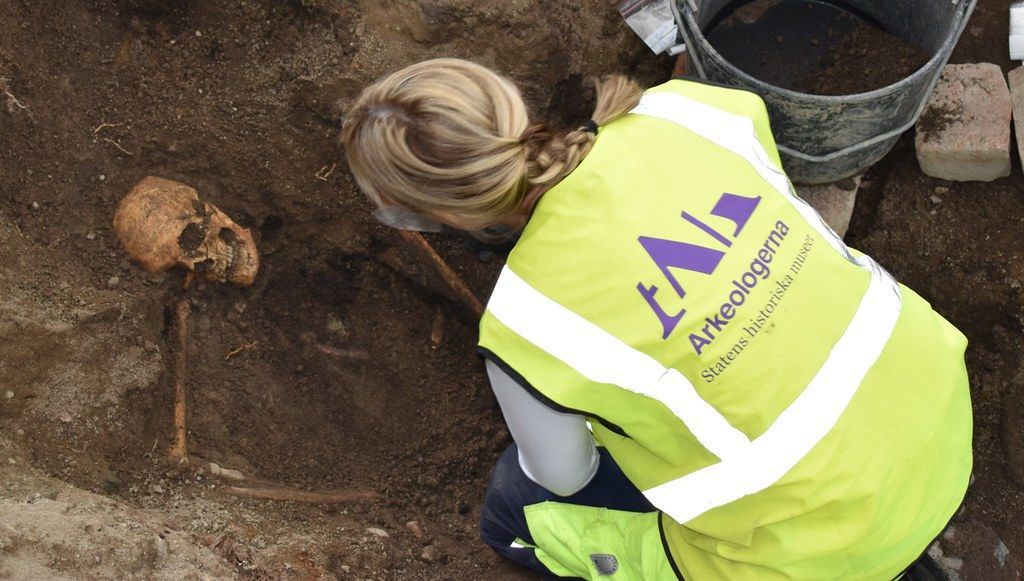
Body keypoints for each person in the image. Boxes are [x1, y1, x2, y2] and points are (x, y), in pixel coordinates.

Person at [340, 58, 972, 580]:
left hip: (816, 553)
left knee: (515, 503)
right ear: (507, 105)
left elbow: (565, 475)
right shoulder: (686, 110)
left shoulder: (525, 325)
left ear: (429, 216)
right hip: (937, 425)